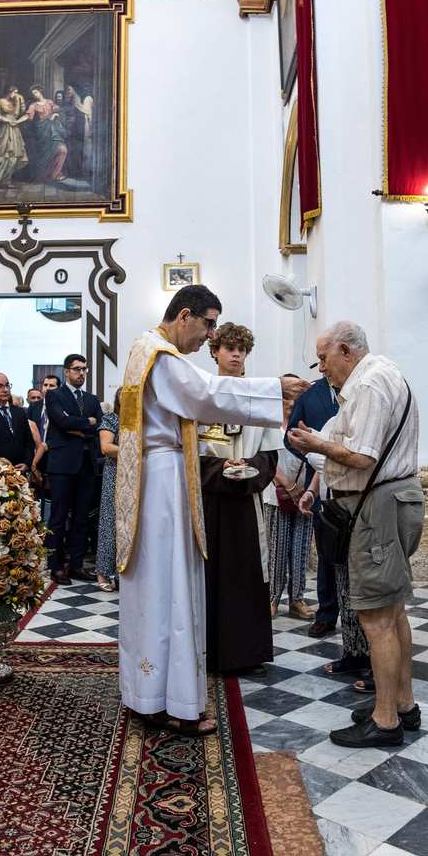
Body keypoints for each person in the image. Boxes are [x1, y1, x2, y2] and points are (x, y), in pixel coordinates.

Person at [115, 285, 307, 735]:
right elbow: (204, 396)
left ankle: (147, 693)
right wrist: (273, 388)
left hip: (160, 475)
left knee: (156, 587)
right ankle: (170, 702)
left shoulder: (144, 349)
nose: (210, 335)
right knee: (171, 586)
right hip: (164, 482)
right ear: (185, 316)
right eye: (208, 324)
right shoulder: (161, 356)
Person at [289, 322, 423, 748]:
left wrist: (315, 445)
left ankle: (385, 722)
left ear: (345, 350)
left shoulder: (368, 384)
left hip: (376, 505)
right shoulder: (384, 373)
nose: (322, 369)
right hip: (387, 499)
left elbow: (362, 456)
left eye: (324, 359)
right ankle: (402, 703)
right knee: (392, 609)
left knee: (376, 616)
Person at [201, 324, 283, 676]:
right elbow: (190, 450)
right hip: (209, 500)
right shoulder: (201, 395)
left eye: (243, 350)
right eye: (229, 348)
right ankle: (206, 651)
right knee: (207, 574)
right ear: (215, 351)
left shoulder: (259, 397)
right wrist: (221, 466)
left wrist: (249, 466)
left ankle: (245, 653)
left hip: (246, 502)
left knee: (246, 574)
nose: (237, 355)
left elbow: (271, 453)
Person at [287, 373, 343, 639]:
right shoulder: (310, 394)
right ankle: (327, 614)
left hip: (359, 486)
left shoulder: (360, 388)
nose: (321, 364)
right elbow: (290, 436)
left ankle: (361, 615)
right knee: (327, 553)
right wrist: (311, 452)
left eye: (325, 357)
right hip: (321, 480)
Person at [45, 354, 103, 585]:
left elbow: (99, 424)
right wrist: (85, 422)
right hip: (62, 464)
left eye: (85, 369)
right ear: (66, 371)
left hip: (87, 463)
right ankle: (56, 566)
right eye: (77, 369)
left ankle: (76, 565)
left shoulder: (91, 398)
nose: (82, 373)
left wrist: (83, 425)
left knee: (81, 518)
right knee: (58, 518)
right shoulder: (54, 395)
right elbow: (61, 421)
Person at [266, 375, 315, 621]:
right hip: (278, 495)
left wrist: (303, 490)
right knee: (277, 549)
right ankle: (273, 598)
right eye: (286, 396)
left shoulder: (306, 423)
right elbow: (265, 459)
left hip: (305, 495)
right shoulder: (270, 424)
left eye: (295, 397)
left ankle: (296, 598)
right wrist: (289, 484)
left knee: (301, 548)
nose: (290, 402)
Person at [96, 395, 121, 593]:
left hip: (140, 476)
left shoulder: (145, 420)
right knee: (110, 523)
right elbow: (106, 448)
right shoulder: (112, 419)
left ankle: (124, 574)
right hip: (116, 475)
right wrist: (134, 450)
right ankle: (103, 572)